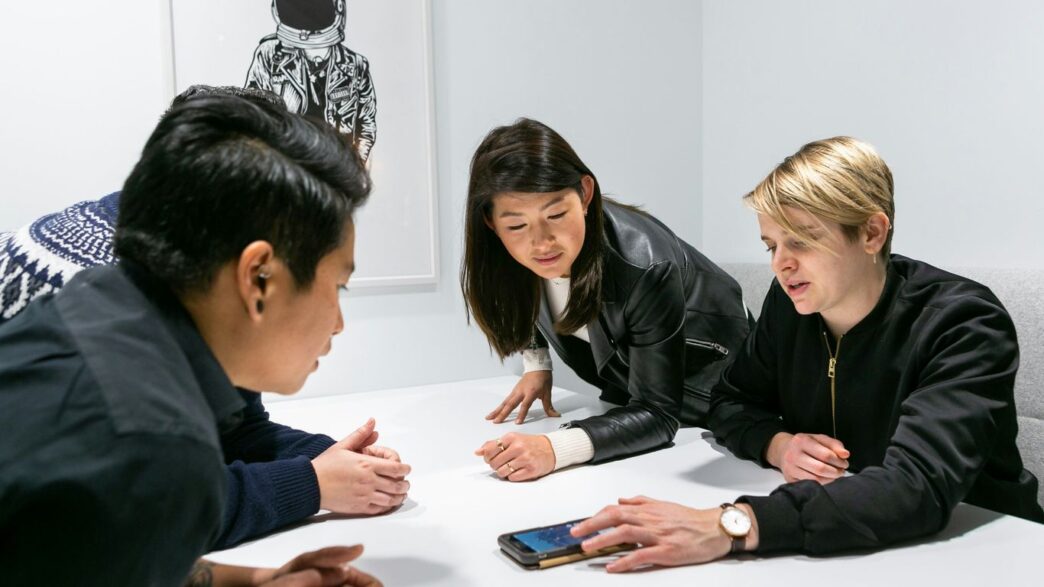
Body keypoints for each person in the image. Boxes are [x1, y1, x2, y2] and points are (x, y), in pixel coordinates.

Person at [569, 136, 1044, 572]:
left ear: (872, 233)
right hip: (847, 537)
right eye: (772, 244)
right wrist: (779, 444)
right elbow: (730, 402)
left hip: (988, 551)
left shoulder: (964, 323)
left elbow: (915, 486)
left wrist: (730, 525)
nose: (780, 263)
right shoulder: (792, 304)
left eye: (802, 240)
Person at [0, 93, 394, 585]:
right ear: (258, 279)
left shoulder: (96, 299)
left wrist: (249, 581)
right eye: (336, 287)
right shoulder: (155, 446)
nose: (337, 323)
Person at [463, 118, 751, 482]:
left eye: (556, 215)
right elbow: (525, 295)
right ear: (490, 221)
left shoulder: (646, 264)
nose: (541, 242)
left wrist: (554, 449)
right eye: (517, 225)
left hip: (713, 402)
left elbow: (659, 414)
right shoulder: (511, 255)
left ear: (585, 194)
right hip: (634, 400)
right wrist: (536, 363)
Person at [246, 0, 377, 161]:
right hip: (287, 161)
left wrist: (356, 166)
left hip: (335, 163)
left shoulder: (356, 66)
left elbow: (366, 124)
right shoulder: (270, 55)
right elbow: (253, 112)